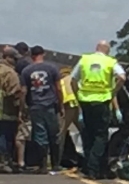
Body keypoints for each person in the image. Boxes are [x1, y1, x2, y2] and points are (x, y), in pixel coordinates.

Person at [71, 40, 126, 179]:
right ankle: (94, 168)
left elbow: (73, 80)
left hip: (85, 101)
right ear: (107, 50)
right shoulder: (110, 62)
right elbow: (122, 77)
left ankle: (88, 167)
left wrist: (78, 96)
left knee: (87, 134)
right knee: (100, 136)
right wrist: (113, 92)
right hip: (102, 101)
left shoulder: (84, 60)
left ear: (96, 48)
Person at [20, 46, 64, 174]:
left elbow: (23, 91)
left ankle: (43, 165)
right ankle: (56, 164)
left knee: (40, 135)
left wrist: (22, 109)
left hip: (35, 106)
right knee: (54, 134)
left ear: (31, 55)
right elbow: (59, 88)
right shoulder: (52, 68)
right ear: (43, 54)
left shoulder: (26, 71)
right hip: (50, 105)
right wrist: (61, 105)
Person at [0, 48, 24, 173]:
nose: (16, 62)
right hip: (6, 110)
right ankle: (4, 162)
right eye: (14, 59)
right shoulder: (10, 73)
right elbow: (16, 92)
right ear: (8, 58)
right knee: (5, 136)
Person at [56, 66, 83, 169]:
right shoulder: (72, 79)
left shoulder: (61, 81)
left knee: (61, 133)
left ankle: (57, 161)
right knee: (83, 131)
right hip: (74, 103)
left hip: (66, 105)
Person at [12, 42, 32, 172]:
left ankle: (15, 160)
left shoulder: (15, 66)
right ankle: (21, 162)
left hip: (13, 101)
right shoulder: (26, 65)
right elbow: (24, 89)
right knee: (22, 134)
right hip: (26, 103)